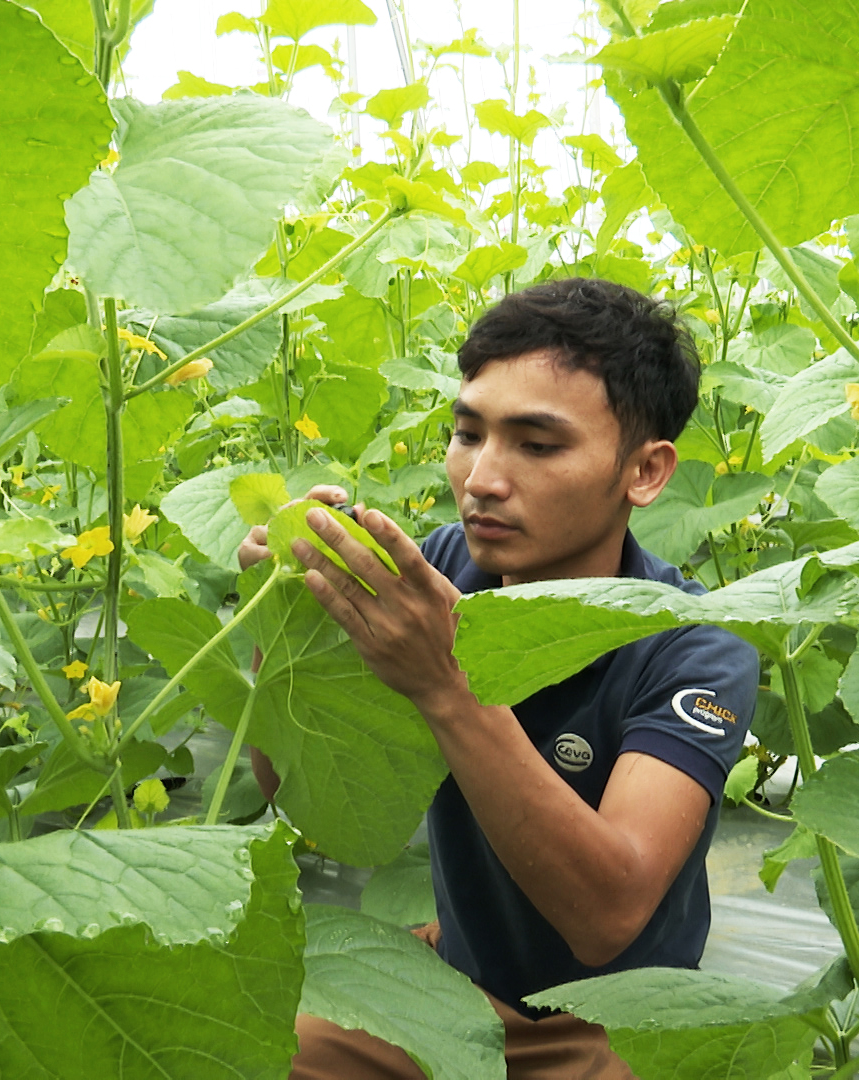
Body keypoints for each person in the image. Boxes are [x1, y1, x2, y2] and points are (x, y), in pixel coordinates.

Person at [236, 277, 761, 1079]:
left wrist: (445, 683)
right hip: (451, 986)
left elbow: (608, 914)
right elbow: (286, 788)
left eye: (537, 444)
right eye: (467, 433)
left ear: (647, 473)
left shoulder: (694, 647)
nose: (481, 477)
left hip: (609, 1027)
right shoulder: (437, 570)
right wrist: (280, 630)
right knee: (242, 1047)